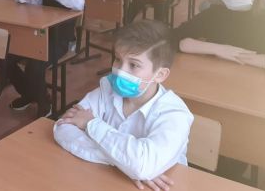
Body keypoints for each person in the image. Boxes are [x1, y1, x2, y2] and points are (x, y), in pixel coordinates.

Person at [54, 20, 193, 190]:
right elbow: (63, 128)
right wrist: (126, 165)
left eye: (133, 65)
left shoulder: (175, 113)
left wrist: (91, 124)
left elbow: (143, 166)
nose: (120, 70)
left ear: (160, 74)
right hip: (104, 181)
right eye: (118, 59)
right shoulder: (107, 89)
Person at [8, 0, 84, 116]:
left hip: (60, 42)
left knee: (34, 65)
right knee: (6, 58)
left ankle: (44, 103)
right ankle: (28, 94)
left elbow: (78, 4)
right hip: (39, 37)